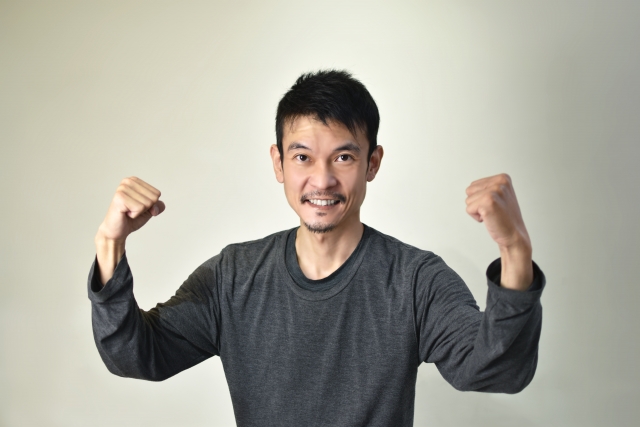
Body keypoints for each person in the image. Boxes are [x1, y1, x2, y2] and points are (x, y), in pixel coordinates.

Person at [88, 70, 545, 426]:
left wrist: (514, 251)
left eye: (343, 157)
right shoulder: (233, 277)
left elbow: (497, 369)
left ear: (372, 163)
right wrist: (111, 243)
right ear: (278, 163)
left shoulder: (414, 280)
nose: (322, 180)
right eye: (302, 157)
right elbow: (136, 355)